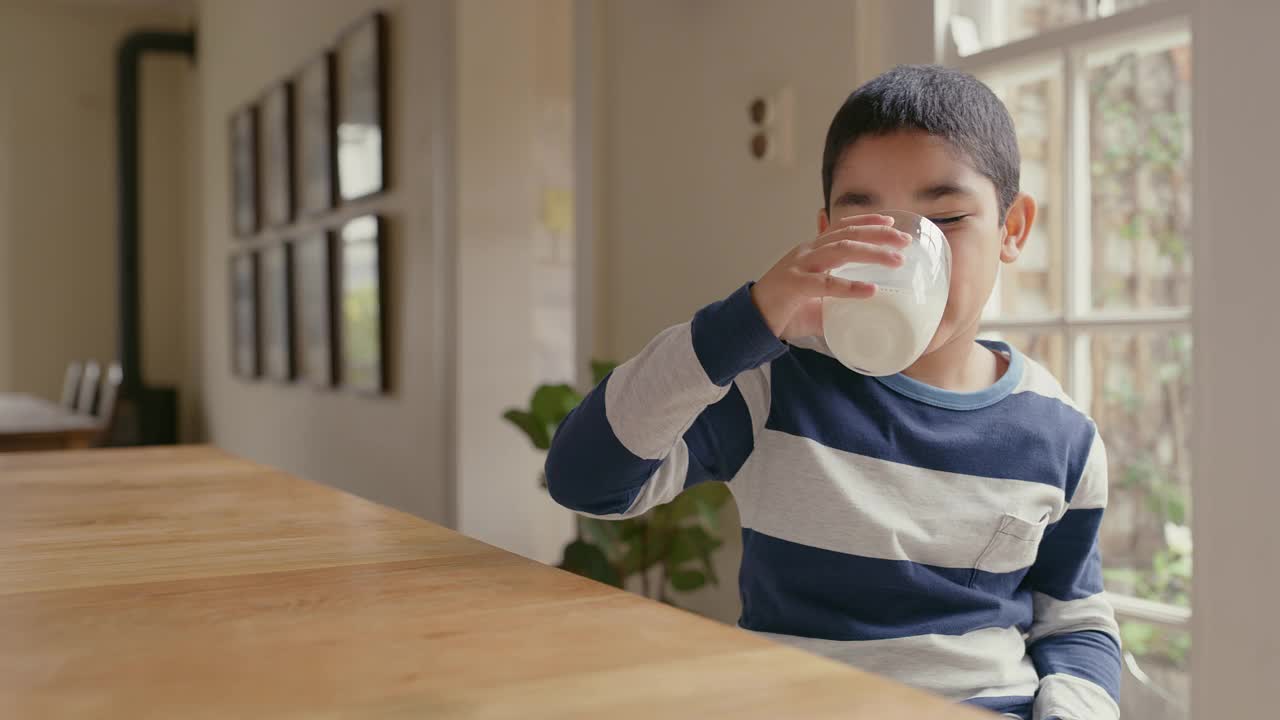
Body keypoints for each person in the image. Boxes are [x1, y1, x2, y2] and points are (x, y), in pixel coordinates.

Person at [545, 64, 1119, 720]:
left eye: (949, 217)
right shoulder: (773, 386)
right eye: (866, 222)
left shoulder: (1060, 434)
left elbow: (1074, 618)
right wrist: (747, 322)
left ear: (1013, 229)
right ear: (826, 235)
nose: (901, 250)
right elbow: (585, 481)